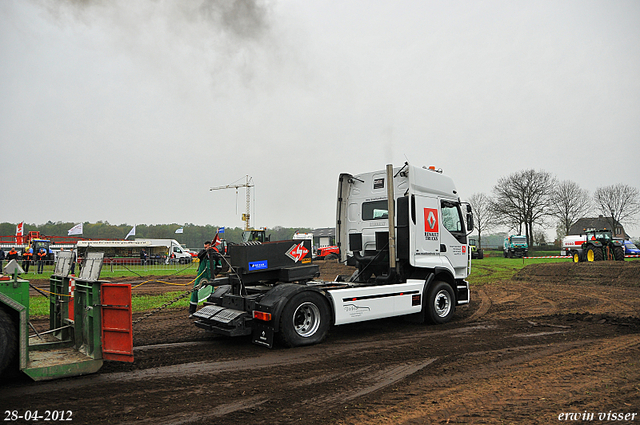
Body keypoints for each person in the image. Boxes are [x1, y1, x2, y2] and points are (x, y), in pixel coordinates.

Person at [189, 241, 222, 316]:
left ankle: (210, 311)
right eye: (204, 247)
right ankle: (192, 311)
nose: (205, 248)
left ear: (210, 246)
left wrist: (215, 273)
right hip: (201, 276)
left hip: (210, 277)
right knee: (195, 292)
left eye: (207, 247)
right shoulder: (202, 253)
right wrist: (206, 251)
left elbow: (219, 266)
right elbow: (199, 255)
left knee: (210, 293)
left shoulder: (215, 255)